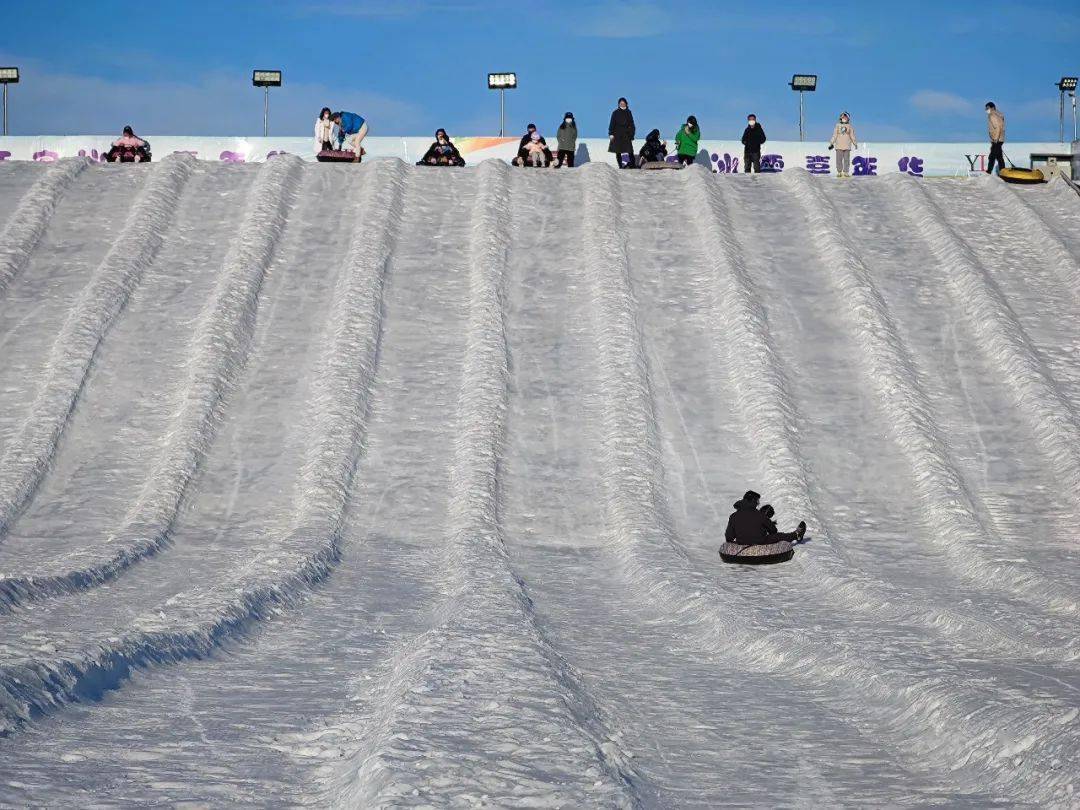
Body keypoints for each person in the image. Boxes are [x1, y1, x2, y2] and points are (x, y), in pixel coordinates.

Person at [724, 490, 806, 545]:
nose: (758, 503)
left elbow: (729, 537)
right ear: (753, 501)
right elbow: (773, 530)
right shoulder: (759, 515)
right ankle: (796, 535)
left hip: (741, 543)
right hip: (760, 542)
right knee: (779, 536)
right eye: (757, 501)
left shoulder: (733, 516)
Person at [608, 97, 636, 169]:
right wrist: (611, 133)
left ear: (626, 104)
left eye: (623, 103)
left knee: (629, 151)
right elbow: (612, 123)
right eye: (621, 103)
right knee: (618, 151)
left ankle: (632, 166)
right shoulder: (615, 113)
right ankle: (621, 166)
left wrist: (632, 134)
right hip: (617, 134)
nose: (622, 104)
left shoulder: (629, 112)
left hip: (626, 134)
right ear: (619, 104)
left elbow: (632, 124)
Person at [828, 111, 857, 178]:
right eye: (843, 117)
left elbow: (852, 136)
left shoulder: (850, 126)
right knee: (839, 160)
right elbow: (834, 135)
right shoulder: (837, 125)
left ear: (848, 118)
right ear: (840, 118)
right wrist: (831, 142)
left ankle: (846, 172)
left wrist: (855, 143)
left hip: (847, 146)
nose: (844, 118)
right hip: (839, 146)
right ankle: (839, 172)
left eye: (845, 117)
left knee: (846, 160)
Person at [985, 102, 1006, 175]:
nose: (986, 110)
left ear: (992, 108)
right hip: (1000, 139)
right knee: (999, 157)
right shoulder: (999, 115)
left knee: (992, 157)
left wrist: (996, 138)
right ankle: (1003, 172)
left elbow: (997, 127)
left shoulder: (992, 115)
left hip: (996, 139)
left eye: (987, 108)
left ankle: (988, 172)